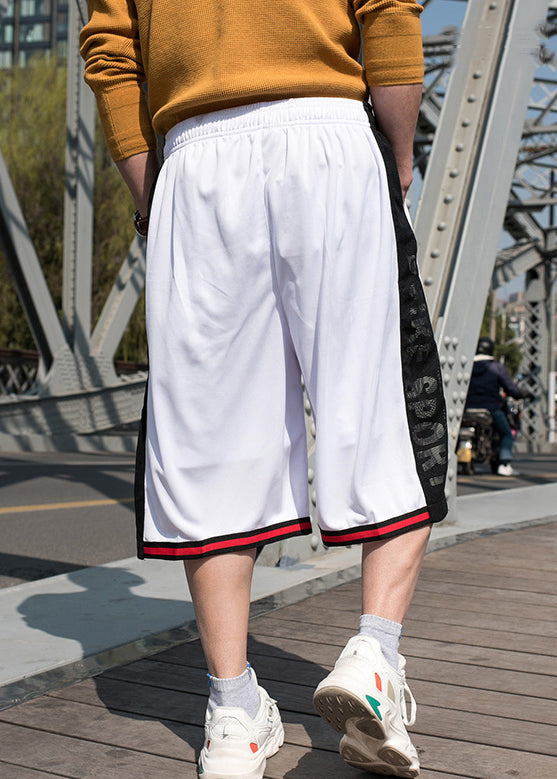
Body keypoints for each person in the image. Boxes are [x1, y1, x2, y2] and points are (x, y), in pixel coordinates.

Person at [80, 2, 448, 777]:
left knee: (211, 451)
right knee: (382, 417)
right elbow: (386, 10)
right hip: (327, 137)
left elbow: (112, 50)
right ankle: (374, 655)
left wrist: (155, 194)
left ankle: (231, 714)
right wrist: (398, 157)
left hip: (194, 158)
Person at [465, 336, 528, 477]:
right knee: (506, 433)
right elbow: (510, 388)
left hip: (466, 408)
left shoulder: (467, 366)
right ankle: (504, 464)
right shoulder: (496, 367)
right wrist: (520, 394)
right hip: (490, 407)